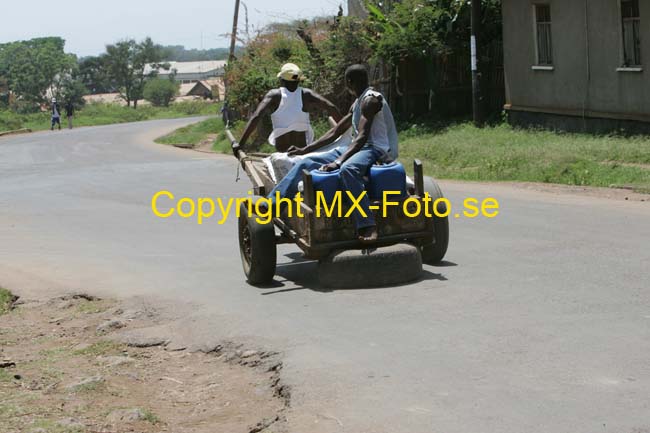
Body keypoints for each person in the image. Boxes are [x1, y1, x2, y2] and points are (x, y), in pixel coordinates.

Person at [266, 64, 398, 243]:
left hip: (375, 148)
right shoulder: (358, 102)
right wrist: (304, 151)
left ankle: (367, 225)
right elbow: (335, 132)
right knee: (306, 163)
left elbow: (362, 136)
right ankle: (272, 204)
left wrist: (338, 162)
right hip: (359, 146)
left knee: (348, 169)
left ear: (349, 82)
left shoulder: (370, 100)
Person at [232, 63, 341, 157]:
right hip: (302, 154)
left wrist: (240, 144)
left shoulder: (274, 95)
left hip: (283, 154)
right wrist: (347, 129)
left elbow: (256, 116)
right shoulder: (306, 94)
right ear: (299, 81)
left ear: (281, 80)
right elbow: (331, 107)